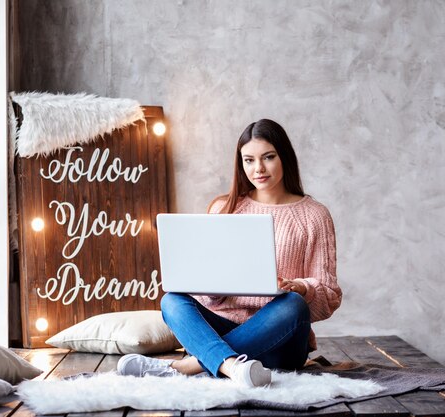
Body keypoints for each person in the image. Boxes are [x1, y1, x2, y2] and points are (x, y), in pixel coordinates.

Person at [117, 119, 342, 387]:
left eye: (268, 157)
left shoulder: (314, 215)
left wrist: (301, 287)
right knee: (172, 300)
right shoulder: (224, 207)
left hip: (280, 340)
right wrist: (211, 287)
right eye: (248, 160)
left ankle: (185, 367)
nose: (258, 169)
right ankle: (234, 366)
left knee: (293, 304)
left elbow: (329, 296)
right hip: (221, 326)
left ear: (285, 157)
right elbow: (205, 290)